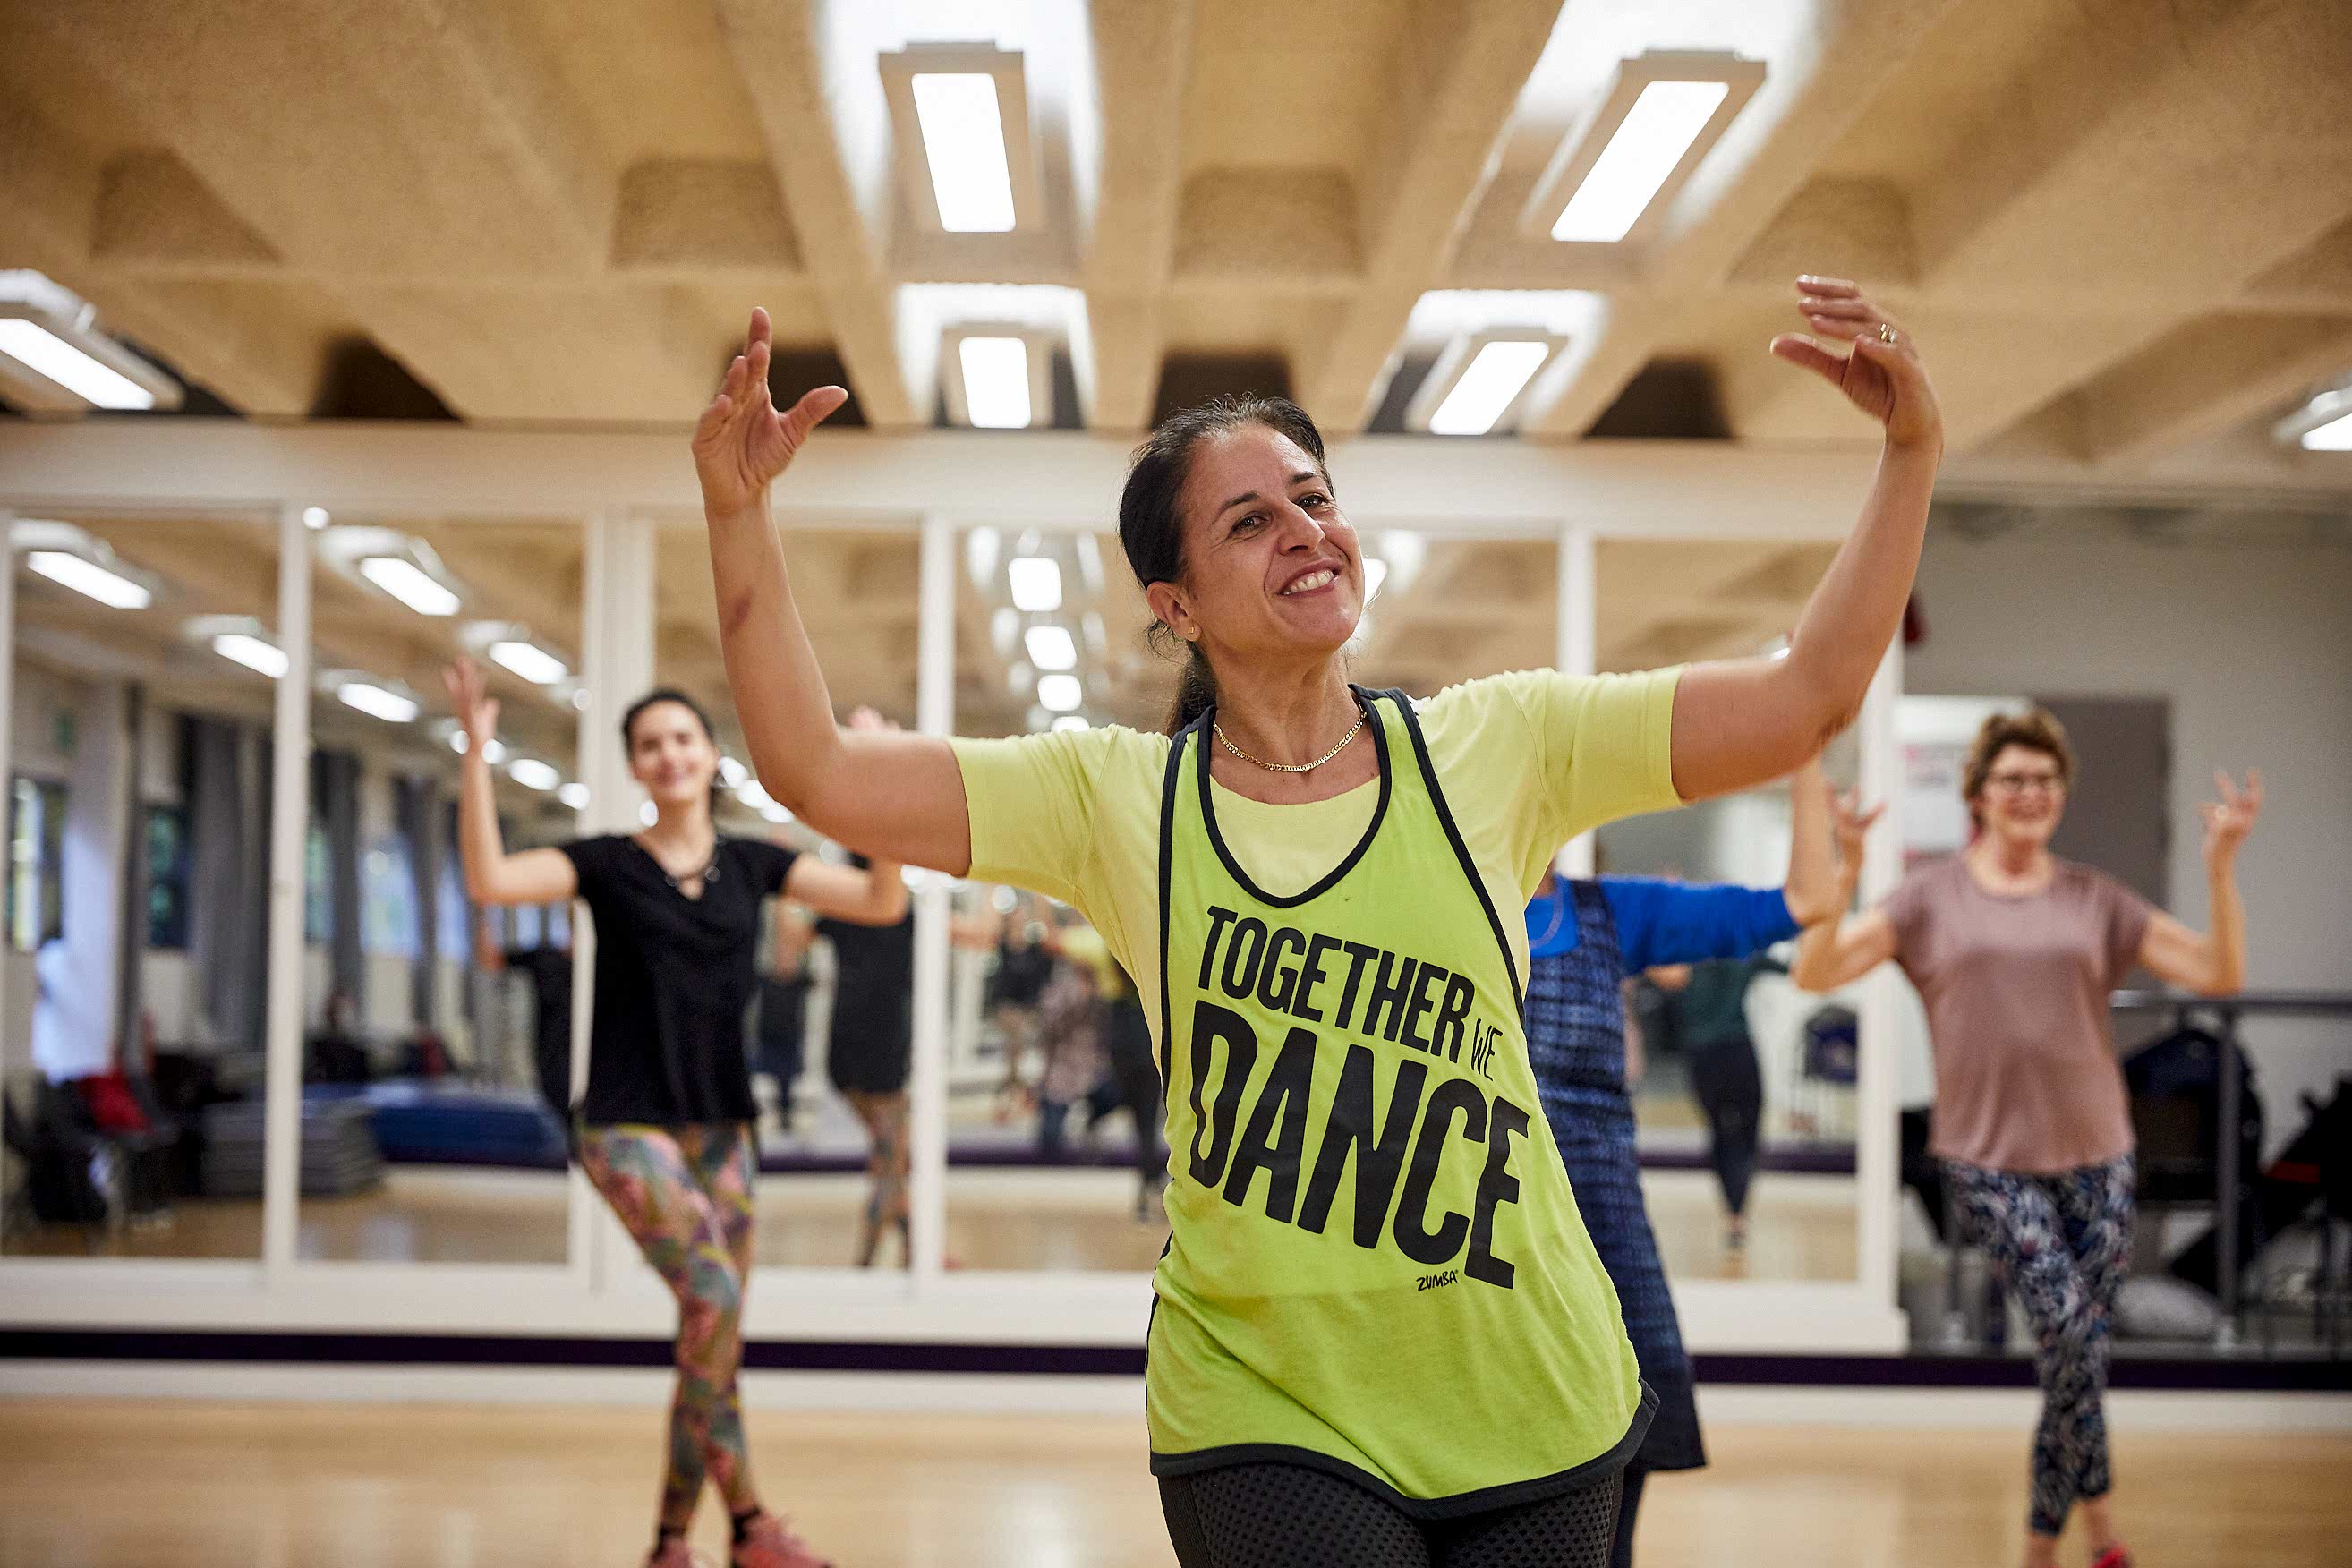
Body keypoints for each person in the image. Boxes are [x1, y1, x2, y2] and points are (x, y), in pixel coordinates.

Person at [691, 276, 1939, 1566]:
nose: (1305, 531)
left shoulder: (1500, 744)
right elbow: (817, 771)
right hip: (1264, 1401)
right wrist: (739, 514)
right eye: (1250, 520)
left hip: (1535, 1390)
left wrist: (1910, 455)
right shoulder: (1113, 799)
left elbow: (1808, 696)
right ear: (1176, 604)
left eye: (1316, 499)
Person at [446, 660, 908, 1568]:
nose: (669, 754)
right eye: (650, 744)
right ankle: (717, 1531)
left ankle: (707, 1536)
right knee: (715, 1299)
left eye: (683, 739)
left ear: (708, 755)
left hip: (724, 1128)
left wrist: (882, 784)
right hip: (625, 1124)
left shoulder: (752, 864)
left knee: (712, 1335)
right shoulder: (606, 864)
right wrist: (474, 756)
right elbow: (491, 880)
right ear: (634, 765)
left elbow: (881, 900)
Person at [1793, 708, 2263, 1568]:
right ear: (1978, 795)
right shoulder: (1929, 899)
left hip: (2099, 1155)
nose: (2030, 793)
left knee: (2072, 1355)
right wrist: (1849, 866)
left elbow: (2218, 972)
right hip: (1988, 1160)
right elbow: (1816, 970)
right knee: (2073, 1334)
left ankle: (2059, 1543)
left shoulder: (2095, 898)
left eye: (2045, 780)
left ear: (2060, 795)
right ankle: (2084, 1534)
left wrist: (2222, 868)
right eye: (2011, 778)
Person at [1523, 760, 1844, 1567]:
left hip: (1601, 1218)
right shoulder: (1441, 915)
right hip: (1481, 1225)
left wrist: (1808, 764)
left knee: (1629, 1404)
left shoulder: (1613, 912)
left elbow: (1800, 904)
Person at [811, 860, 916, 1268]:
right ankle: (867, 1261)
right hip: (881, 1056)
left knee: (892, 1156)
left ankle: (912, 1248)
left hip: (845, 1055)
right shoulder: (904, 914)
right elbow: (979, 935)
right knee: (892, 1162)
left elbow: (790, 942)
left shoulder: (844, 910)